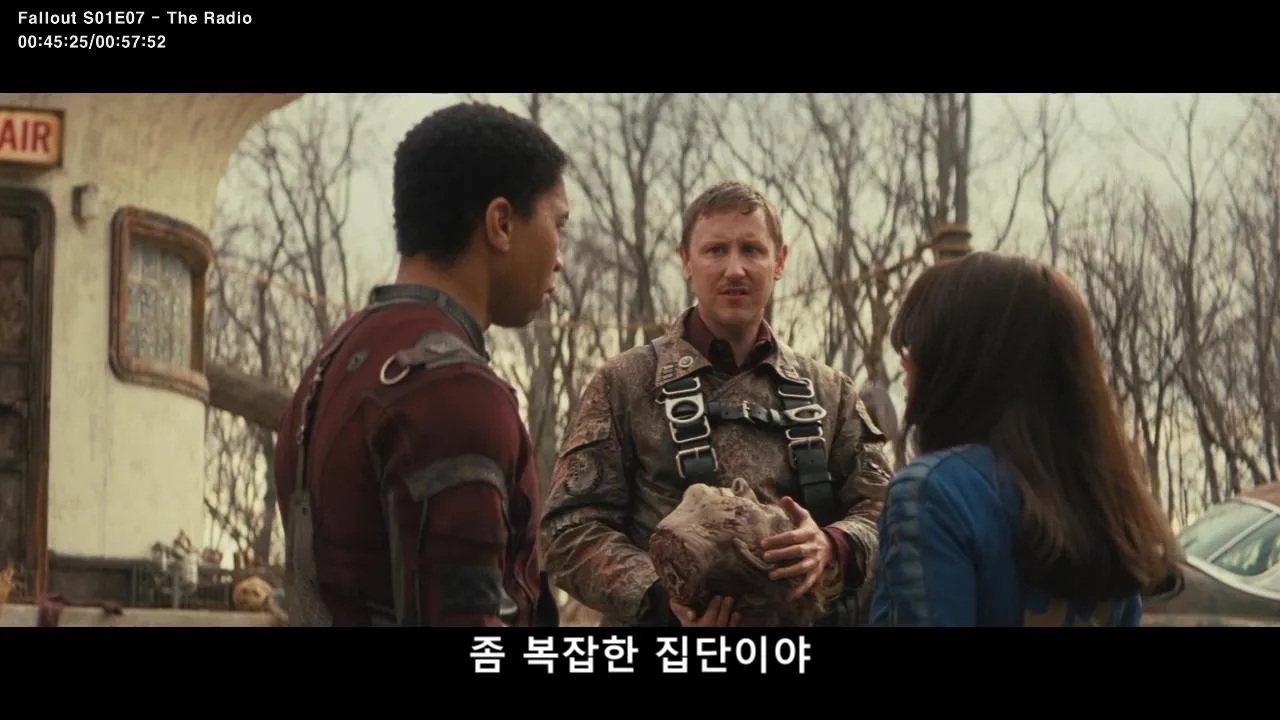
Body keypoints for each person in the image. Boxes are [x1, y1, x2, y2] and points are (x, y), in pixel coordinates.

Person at [540, 180, 893, 627]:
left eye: (752, 250)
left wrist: (833, 546)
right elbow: (569, 531)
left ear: (779, 260)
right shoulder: (624, 384)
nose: (735, 269)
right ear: (686, 260)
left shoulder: (831, 393)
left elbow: (888, 514)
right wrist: (664, 595)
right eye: (715, 250)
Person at [274, 102, 571, 627]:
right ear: (502, 223)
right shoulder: (454, 390)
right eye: (558, 224)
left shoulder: (337, 357)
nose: (561, 257)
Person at [869, 251, 1181, 626]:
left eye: (918, 345)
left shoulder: (933, 493)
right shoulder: (1106, 499)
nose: (904, 362)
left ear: (964, 362)